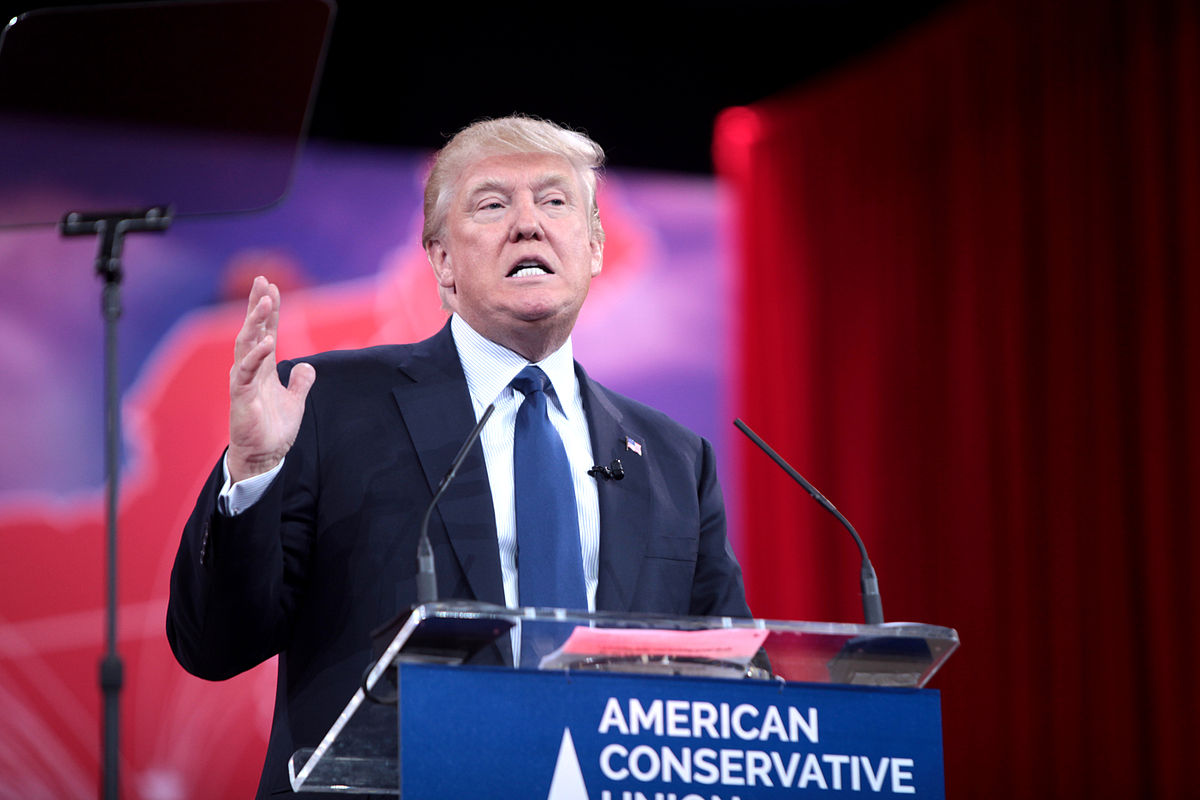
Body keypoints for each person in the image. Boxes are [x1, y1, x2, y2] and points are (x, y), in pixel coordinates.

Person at [166, 115, 751, 798]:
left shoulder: (674, 460)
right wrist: (255, 469)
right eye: (493, 204)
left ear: (592, 247)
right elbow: (213, 643)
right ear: (442, 262)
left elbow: (725, 684)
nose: (528, 225)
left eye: (555, 201)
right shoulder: (327, 406)